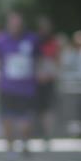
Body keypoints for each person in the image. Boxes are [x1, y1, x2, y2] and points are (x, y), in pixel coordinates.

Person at [0, 10, 37, 159]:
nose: (15, 25)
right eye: (12, 22)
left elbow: (40, 59)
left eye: (17, 22)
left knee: (25, 121)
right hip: (7, 87)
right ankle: (10, 148)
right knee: (7, 119)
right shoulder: (1, 40)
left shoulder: (31, 39)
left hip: (27, 88)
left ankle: (25, 143)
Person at [34, 16, 60, 149]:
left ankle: (47, 135)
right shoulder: (35, 41)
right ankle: (38, 134)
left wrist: (49, 74)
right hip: (37, 80)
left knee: (48, 110)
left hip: (49, 80)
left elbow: (56, 60)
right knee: (38, 109)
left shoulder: (53, 42)